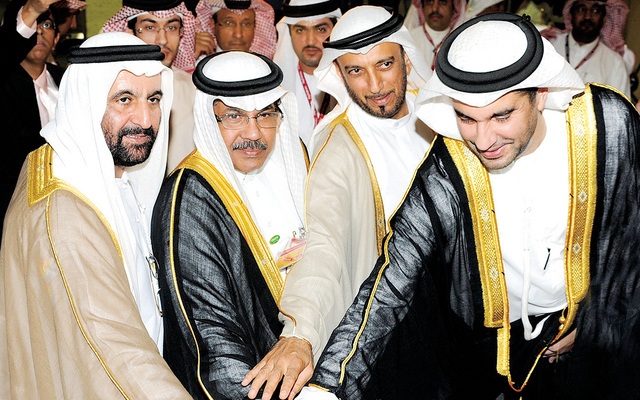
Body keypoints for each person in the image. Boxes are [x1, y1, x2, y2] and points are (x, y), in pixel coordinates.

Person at [295, 12, 640, 400]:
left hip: (597, 326)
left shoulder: (605, 124)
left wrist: (595, 317)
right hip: (498, 344)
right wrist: (326, 386)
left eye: (502, 116)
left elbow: (632, 236)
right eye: (466, 118)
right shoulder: (454, 159)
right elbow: (396, 271)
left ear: (540, 94)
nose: (484, 139)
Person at [241, 6, 433, 400]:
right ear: (340, 75)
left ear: (406, 59)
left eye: (384, 64)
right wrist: (301, 333)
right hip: (393, 329)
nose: (375, 85)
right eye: (356, 71)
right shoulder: (339, 145)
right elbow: (323, 245)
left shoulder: (442, 118)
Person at [0, 32, 192, 399]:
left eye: (154, 99)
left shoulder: (93, 170)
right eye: (124, 99)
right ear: (86, 103)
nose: (145, 119)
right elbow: (114, 349)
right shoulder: (64, 211)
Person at [152, 51, 308, 400]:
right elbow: (213, 340)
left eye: (265, 114)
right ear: (209, 118)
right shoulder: (191, 197)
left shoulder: (293, 158)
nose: (253, 133)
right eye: (234, 116)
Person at [102, 0, 198, 173]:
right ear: (130, 32)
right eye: (150, 28)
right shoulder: (110, 87)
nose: (162, 40)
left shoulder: (193, 87)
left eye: (172, 28)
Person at [0, 0, 64, 235]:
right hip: (12, 216)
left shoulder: (69, 81)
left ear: (56, 38)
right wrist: (32, 9)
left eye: (46, 25)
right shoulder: (5, 83)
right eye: (34, 25)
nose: (39, 31)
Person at [273, 0, 341, 150]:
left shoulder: (351, 81)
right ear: (289, 34)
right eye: (300, 30)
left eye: (320, 29)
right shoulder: (274, 89)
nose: (310, 40)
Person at [542, 0, 632, 99]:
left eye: (595, 11)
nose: (588, 16)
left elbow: (620, 106)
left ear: (604, 18)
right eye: (581, 9)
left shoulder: (615, 63)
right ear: (570, 15)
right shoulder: (548, 47)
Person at [194, 0, 277, 59]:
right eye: (229, 23)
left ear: (255, 26)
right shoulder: (198, 65)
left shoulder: (265, 68)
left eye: (246, 24)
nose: (238, 35)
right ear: (212, 25)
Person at [406, 0, 466, 70]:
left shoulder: (461, 44)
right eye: (429, 2)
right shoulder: (408, 40)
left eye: (442, 2)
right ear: (422, 7)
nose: (435, 9)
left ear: (454, 9)